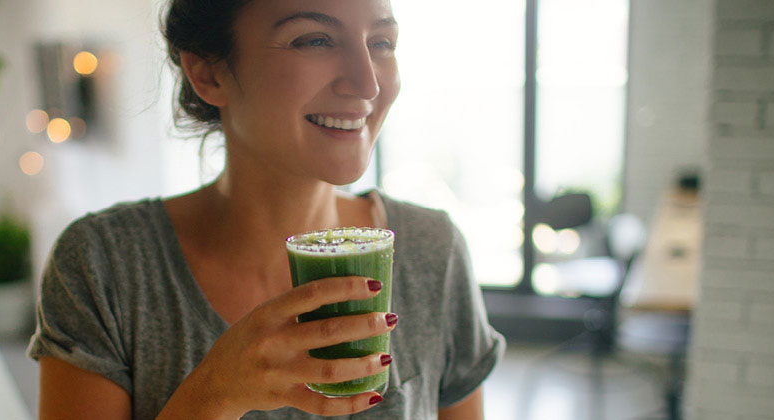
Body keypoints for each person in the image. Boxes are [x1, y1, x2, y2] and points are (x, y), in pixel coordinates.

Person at [27, 0, 505, 418]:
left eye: (382, 42)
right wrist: (214, 394)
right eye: (315, 39)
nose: (366, 83)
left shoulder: (431, 249)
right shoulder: (103, 266)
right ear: (208, 73)